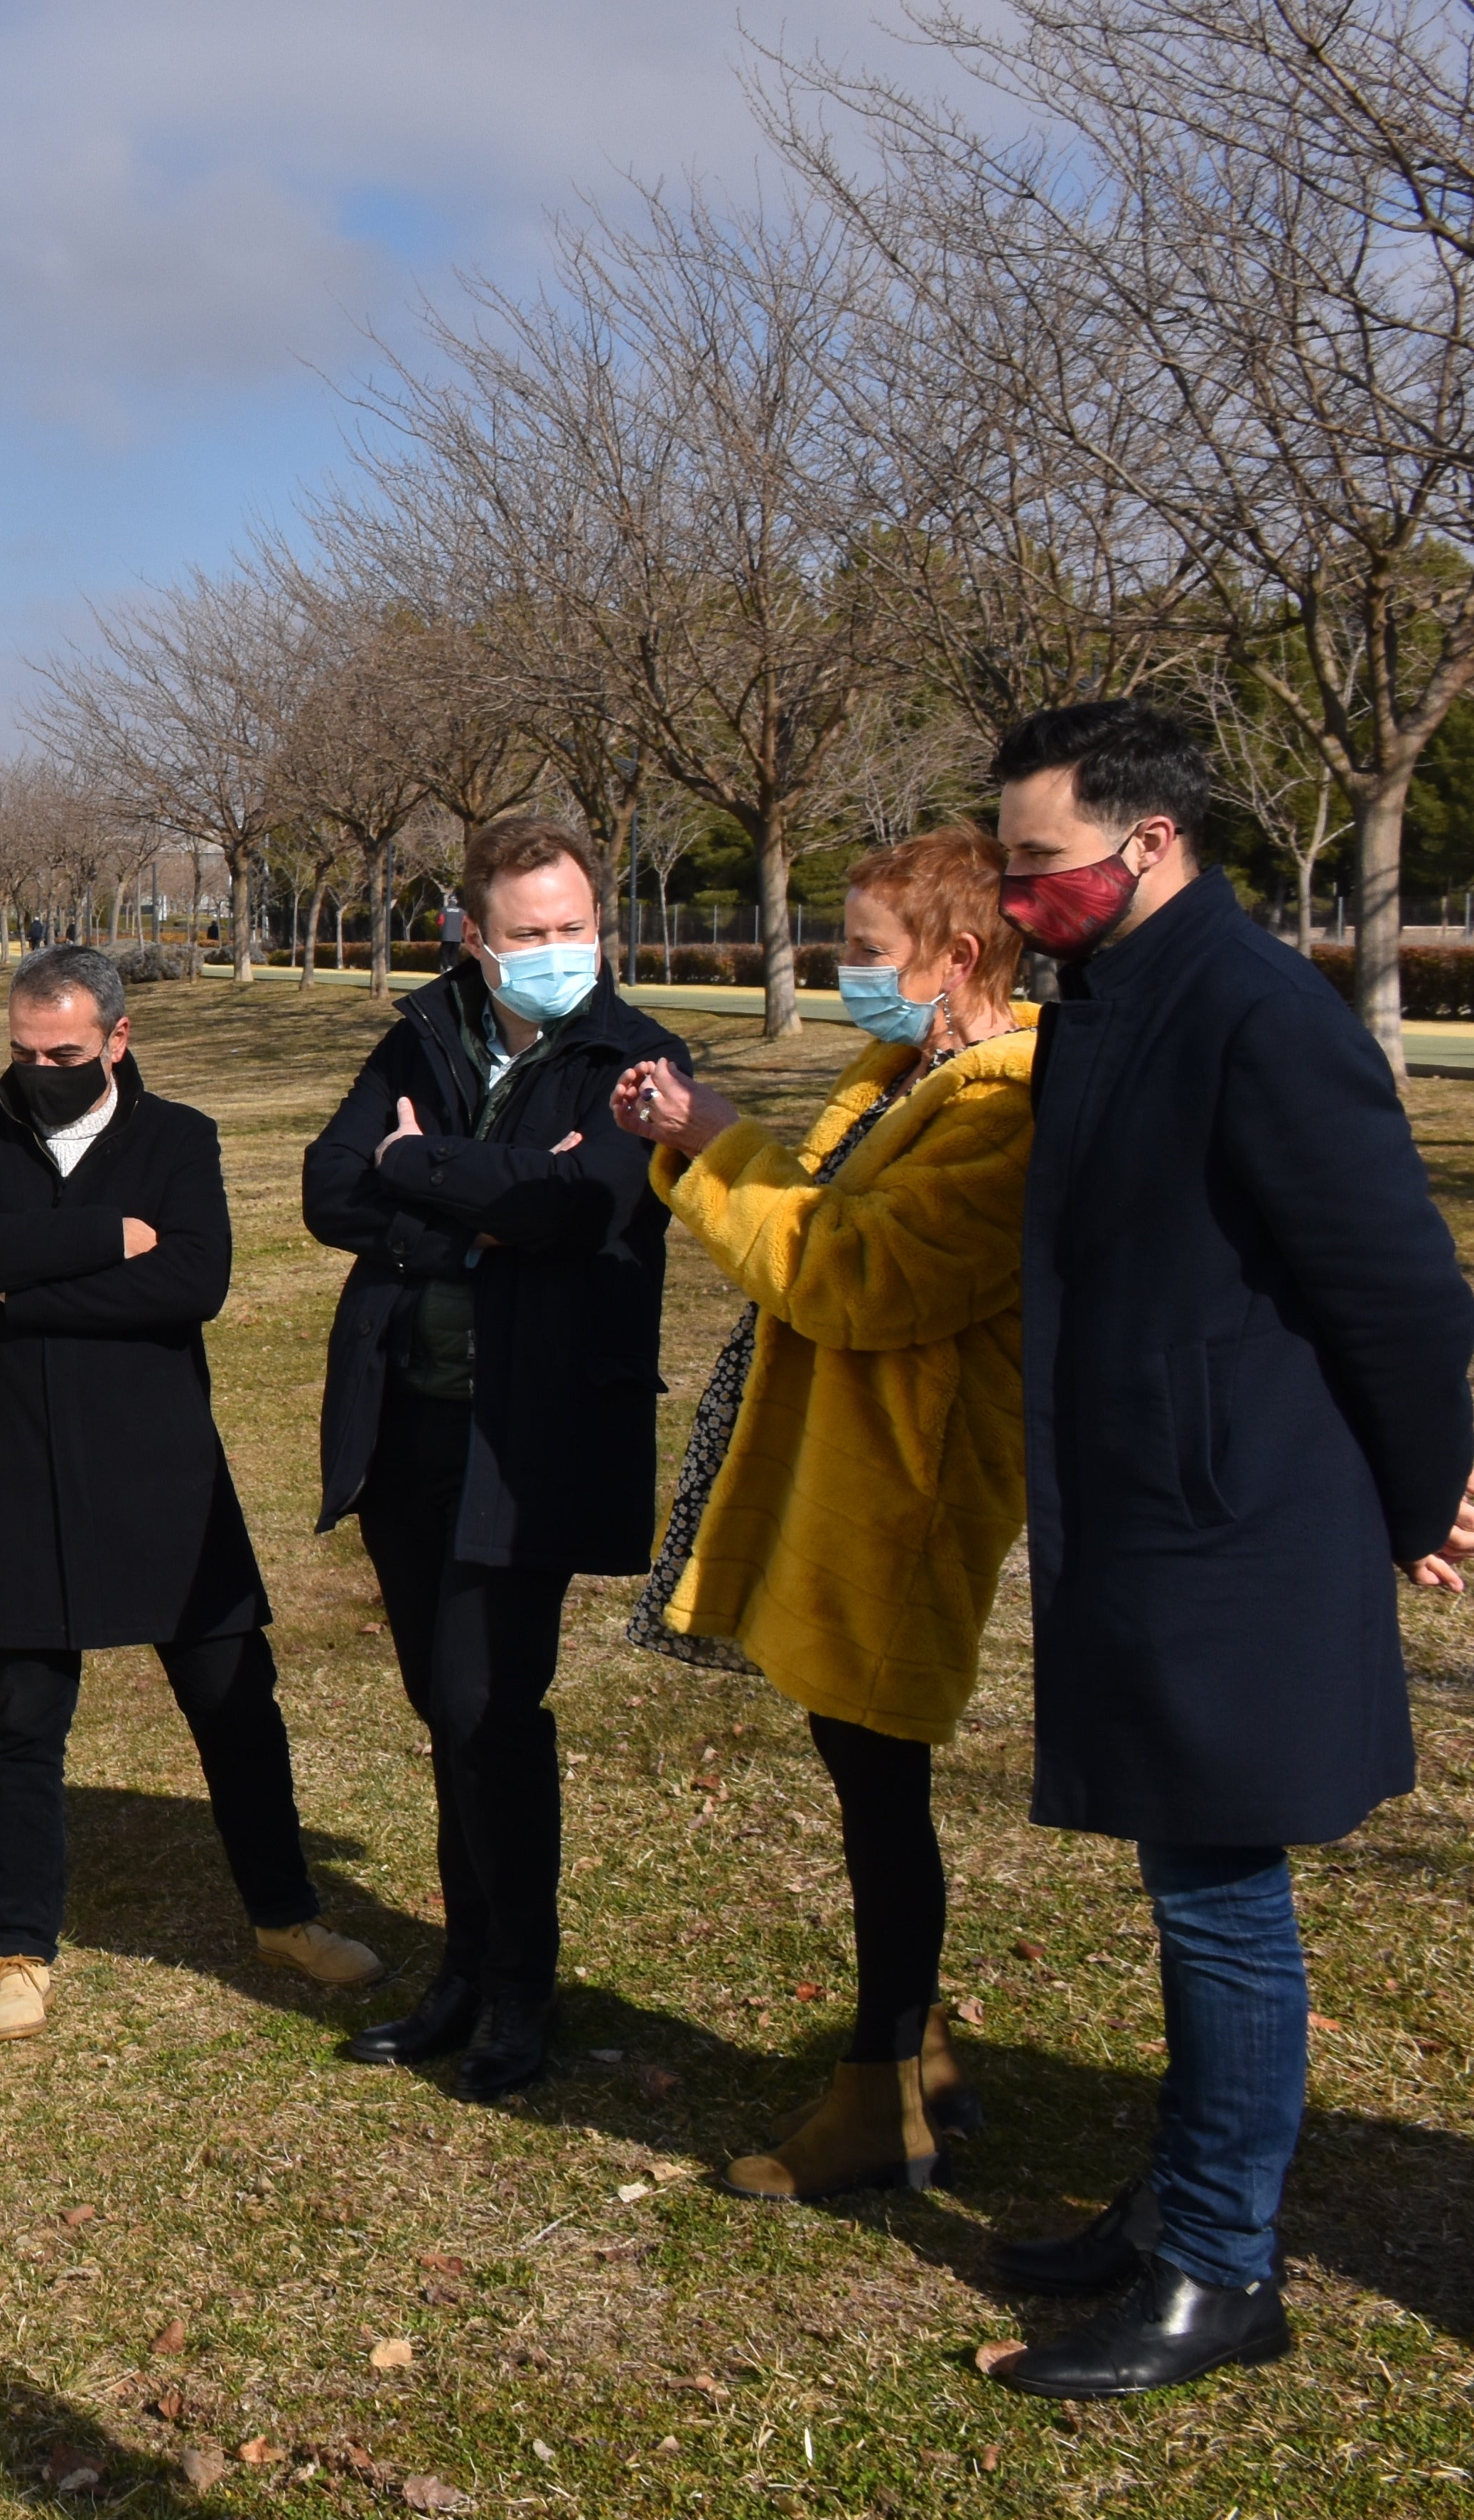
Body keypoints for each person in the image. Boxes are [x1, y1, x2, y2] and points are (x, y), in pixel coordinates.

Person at [959, 699, 1474, 2397]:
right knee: (1187, 1881)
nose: (1017, 893)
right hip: (1153, 1504)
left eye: (1041, 860)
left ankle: (1221, 2263)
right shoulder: (1115, 991)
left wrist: (1424, 1494)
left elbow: (1399, 1289)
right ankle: (1177, 2196)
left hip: (1240, 1518)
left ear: (1152, 841)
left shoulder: (1256, 1011)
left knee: (1222, 1897)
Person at [609, 828, 1035, 2201]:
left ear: (956, 957)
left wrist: (718, 1144)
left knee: (882, 1787)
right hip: (844, 1469)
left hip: (907, 1489)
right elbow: (820, 1213)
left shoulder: (1007, 1106)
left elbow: (856, 1276)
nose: (838, 968)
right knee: (867, 1781)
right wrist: (713, 1141)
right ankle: (921, 2053)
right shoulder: (909, 1072)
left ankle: (880, 2094)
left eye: (863, 949)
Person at [0, 945, 386, 2042]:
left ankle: (286, 1916)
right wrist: (102, 1239)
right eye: (25, 1053)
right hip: (23, 1469)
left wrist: (23, 1285)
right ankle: (19, 1952)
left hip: (163, 1471)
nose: (41, 1072)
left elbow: (193, 1280)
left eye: (64, 1053)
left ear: (118, 1039)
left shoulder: (181, 1139)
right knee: (24, 1720)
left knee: (236, 1704)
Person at [302, 814, 688, 2098]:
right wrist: (471, 1218)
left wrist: (417, 1161)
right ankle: (465, 1971)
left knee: (488, 1709)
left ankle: (521, 1988)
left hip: (525, 1437)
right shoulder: (422, 1032)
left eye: (575, 926)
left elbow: (582, 1208)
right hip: (407, 1420)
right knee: (442, 1705)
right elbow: (329, 1188)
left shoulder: (639, 1060)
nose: (558, 949)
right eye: (530, 933)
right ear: (474, 935)